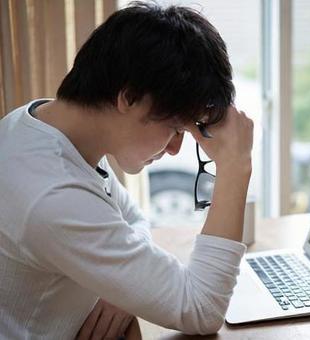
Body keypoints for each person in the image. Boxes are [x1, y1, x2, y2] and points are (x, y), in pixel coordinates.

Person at [0, 2, 253, 339]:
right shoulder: (52, 194)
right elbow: (202, 309)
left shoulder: (44, 125)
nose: (175, 148)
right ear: (129, 97)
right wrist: (236, 165)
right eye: (175, 128)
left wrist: (123, 286)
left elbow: (132, 219)